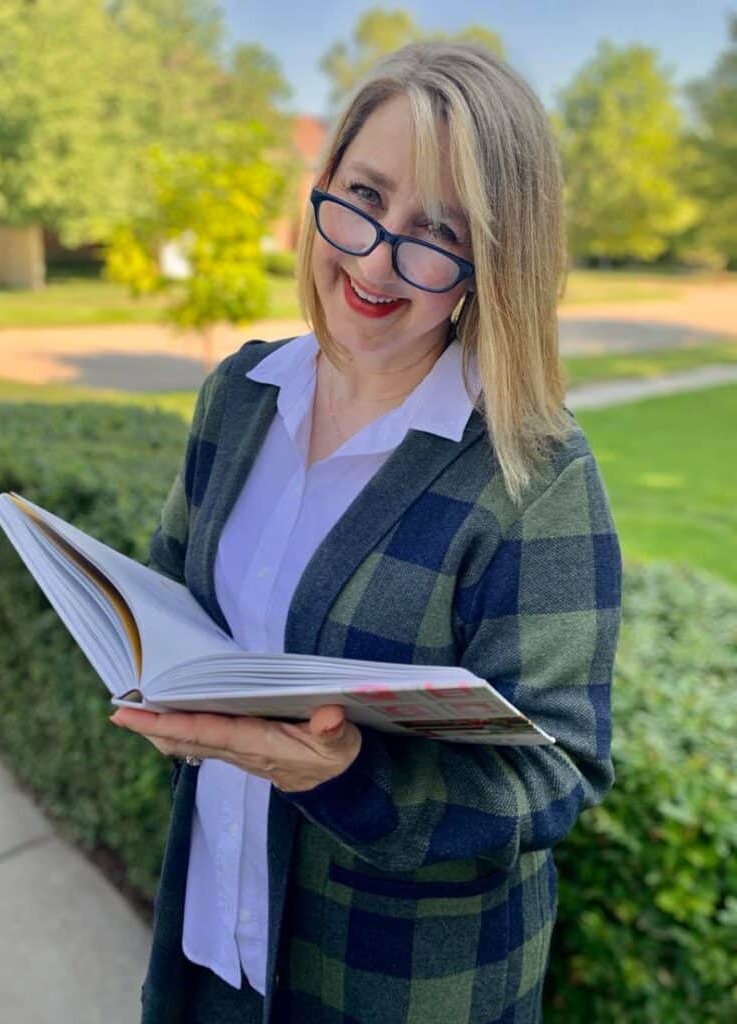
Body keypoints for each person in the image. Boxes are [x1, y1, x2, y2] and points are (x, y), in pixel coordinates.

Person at [110, 40, 622, 1024]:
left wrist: (347, 775)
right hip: (213, 939)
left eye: (436, 232)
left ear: (493, 260)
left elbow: (555, 775)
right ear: (322, 186)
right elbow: (173, 590)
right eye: (362, 196)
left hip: (398, 991)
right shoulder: (240, 394)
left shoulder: (535, 476)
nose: (376, 258)